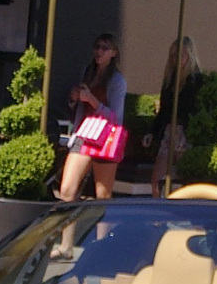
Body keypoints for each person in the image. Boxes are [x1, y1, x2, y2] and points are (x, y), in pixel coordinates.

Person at [57, 33, 128, 202]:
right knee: (66, 191)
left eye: (105, 48)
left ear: (114, 53)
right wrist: (74, 99)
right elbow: (79, 107)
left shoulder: (117, 81)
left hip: (105, 139)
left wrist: (91, 99)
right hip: (84, 135)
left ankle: (102, 229)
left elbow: (115, 118)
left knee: (102, 196)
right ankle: (71, 228)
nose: (99, 52)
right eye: (97, 47)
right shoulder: (88, 72)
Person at [142, 36, 204, 197]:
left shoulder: (197, 81)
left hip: (186, 133)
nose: (177, 59)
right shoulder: (170, 81)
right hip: (169, 131)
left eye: (181, 54)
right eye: (174, 55)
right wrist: (152, 132)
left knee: (182, 181)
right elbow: (163, 111)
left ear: (190, 55)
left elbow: (199, 111)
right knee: (157, 180)